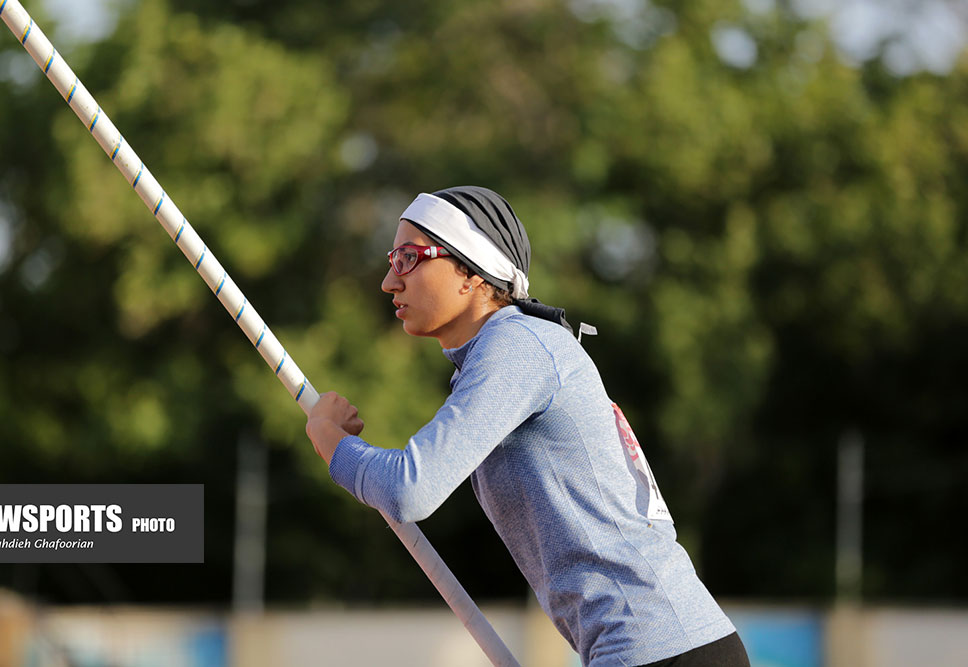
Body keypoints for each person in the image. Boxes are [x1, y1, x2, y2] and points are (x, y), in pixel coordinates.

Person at [305, 186, 750, 666]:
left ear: (471, 272)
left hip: (664, 652)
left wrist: (331, 441)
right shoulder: (505, 352)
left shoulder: (517, 346)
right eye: (393, 259)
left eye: (410, 258)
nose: (389, 281)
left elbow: (410, 488)